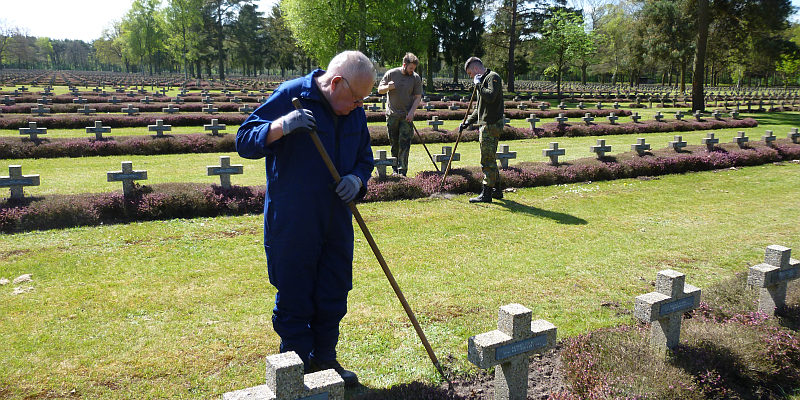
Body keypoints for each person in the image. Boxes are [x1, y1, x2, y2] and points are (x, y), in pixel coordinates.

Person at [236, 50, 376, 387]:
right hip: (294, 219)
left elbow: (364, 159)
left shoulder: (354, 112)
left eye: (363, 102)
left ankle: (325, 360)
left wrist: (357, 180)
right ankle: (294, 370)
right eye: (357, 98)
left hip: (337, 220)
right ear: (337, 82)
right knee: (295, 294)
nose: (359, 106)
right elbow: (245, 140)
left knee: (334, 289)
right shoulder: (292, 95)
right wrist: (281, 126)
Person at [460, 57, 505, 203]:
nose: (470, 77)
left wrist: (478, 84)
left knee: (486, 159)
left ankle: (486, 194)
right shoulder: (483, 80)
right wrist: (468, 122)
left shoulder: (493, 78)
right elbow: (480, 108)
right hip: (486, 123)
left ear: (475, 69)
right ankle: (497, 190)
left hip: (491, 125)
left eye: (470, 74)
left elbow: (490, 97)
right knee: (490, 157)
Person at [377, 52, 423, 176]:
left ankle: (402, 171)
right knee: (394, 143)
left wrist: (412, 112)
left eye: (414, 69)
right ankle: (394, 169)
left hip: (406, 116)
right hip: (392, 115)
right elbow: (379, 90)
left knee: (405, 143)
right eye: (411, 68)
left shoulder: (415, 78)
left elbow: (418, 97)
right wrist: (388, 87)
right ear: (404, 65)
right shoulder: (391, 74)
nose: (412, 71)